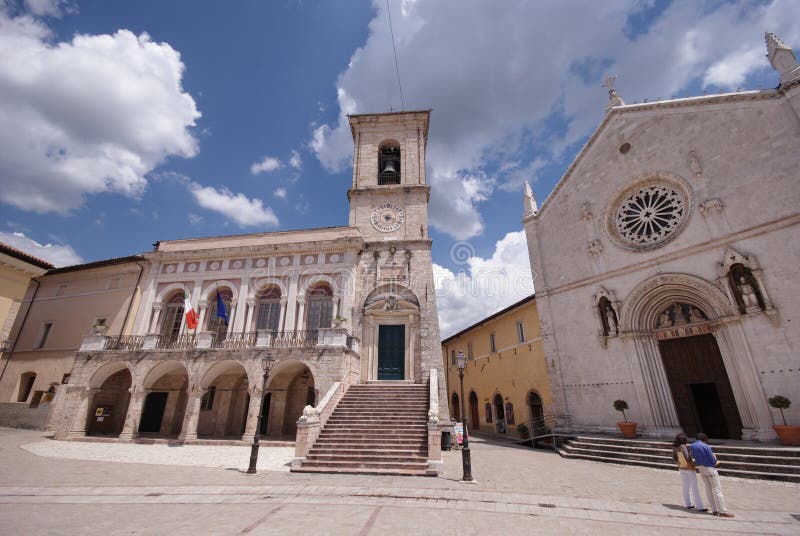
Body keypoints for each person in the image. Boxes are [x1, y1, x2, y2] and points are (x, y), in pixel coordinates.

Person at [690, 433, 734, 517]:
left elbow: (693, 456)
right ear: (704, 439)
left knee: (708, 489)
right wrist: (715, 459)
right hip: (709, 468)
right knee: (717, 489)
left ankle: (714, 510)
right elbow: (712, 460)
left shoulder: (692, 446)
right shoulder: (706, 446)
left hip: (701, 468)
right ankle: (722, 511)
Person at [673, 433, 706, 511]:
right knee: (694, 487)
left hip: (681, 467)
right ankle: (699, 506)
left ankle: (688, 504)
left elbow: (674, 458)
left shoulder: (675, 447)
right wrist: (694, 461)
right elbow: (688, 457)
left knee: (685, 486)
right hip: (689, 468)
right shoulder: (683, 446)